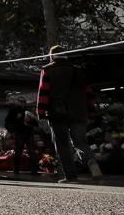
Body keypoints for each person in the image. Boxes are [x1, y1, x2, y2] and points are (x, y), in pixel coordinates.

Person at [37, 45, 101, 182]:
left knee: (62, 145)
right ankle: (91, 161)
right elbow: (89, 94)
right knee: (80, 141)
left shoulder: (48, 70)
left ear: (51, 56)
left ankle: (71, 176)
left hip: (57, 113)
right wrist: (90, 112)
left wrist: (40, 113)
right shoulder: (79, 72)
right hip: (79, 113)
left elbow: (44, 93)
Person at [5, 96, 37, 177]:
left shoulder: (29, 110)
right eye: (21, 101)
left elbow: (36, 122)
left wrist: (32, 122)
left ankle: (34, 171)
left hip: (29, 133)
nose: (23, 103)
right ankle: (16, 170)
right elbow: (8, 122)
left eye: (24, 101)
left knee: (32, 152)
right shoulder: (13, 110)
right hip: (19, 133)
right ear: (17, 102)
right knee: (18, 152)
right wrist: (12, 131)